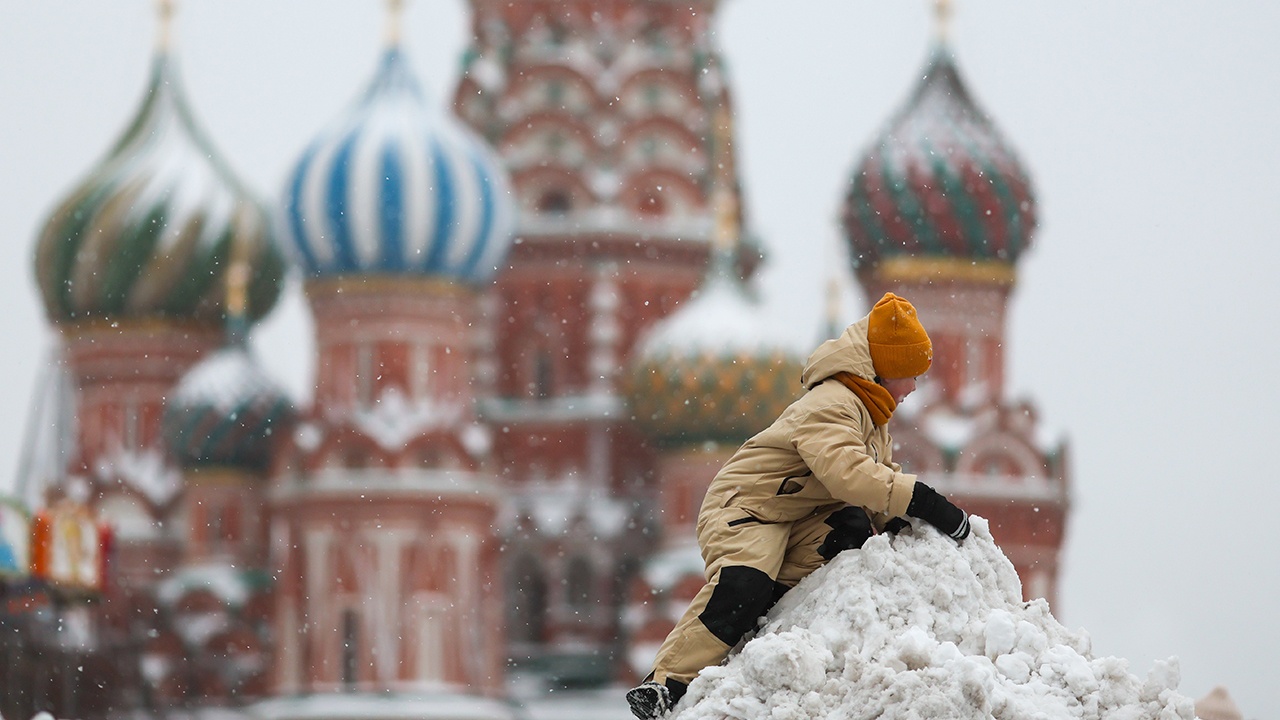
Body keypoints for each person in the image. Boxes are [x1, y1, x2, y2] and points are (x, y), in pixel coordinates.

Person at [626, 292, 971, 720]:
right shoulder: (833, 402)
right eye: (912, 374)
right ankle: (665, 685)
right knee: (744, 584)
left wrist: (907, 524)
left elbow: (875, 481)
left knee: (851, 536)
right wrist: (926, 502)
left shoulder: (871, 415)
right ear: (890, 368)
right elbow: (850, 474)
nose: (915, 388)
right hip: (748, 509)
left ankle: (762, 640)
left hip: (797, 516)